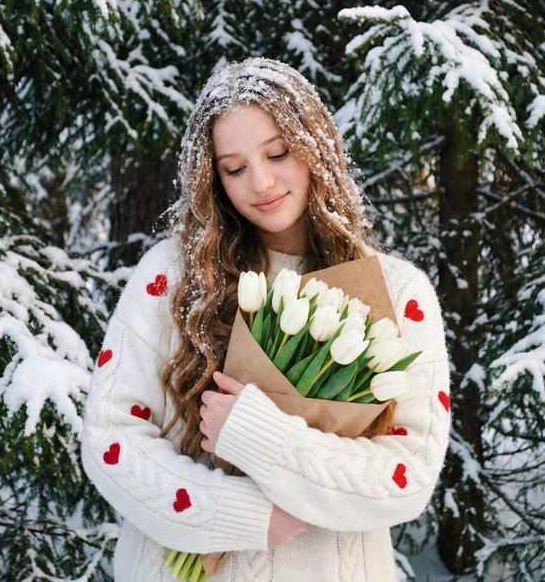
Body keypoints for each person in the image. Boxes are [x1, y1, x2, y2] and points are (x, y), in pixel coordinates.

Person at [81, 57, 451, 582]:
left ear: (315, 146)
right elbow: (111, 439)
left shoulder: (397, 291)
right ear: (212, 179)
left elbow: (407, 475)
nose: (262, 181)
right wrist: (241, 514)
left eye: (278, 153)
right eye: (234, 168)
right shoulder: (173, 276)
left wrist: (258, 436)